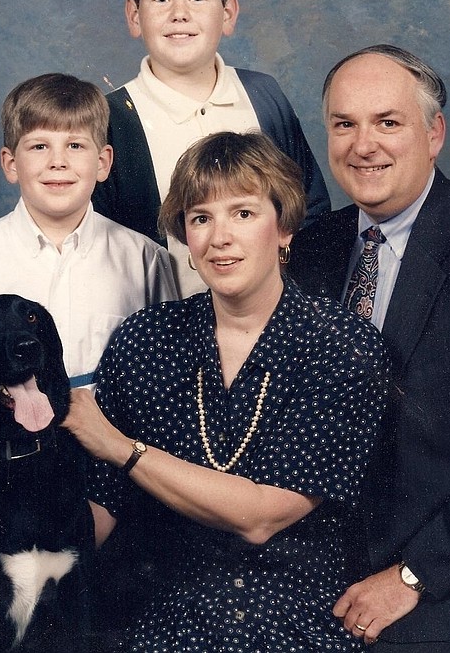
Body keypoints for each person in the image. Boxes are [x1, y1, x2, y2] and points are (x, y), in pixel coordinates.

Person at [65, 131, 388, 651]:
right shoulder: (145, 338)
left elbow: (260, 516)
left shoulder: (342, 345)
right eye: (200, 218)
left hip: (294, 620)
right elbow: (100, 509)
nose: (220, 238)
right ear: (186, 240)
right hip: (163, 615)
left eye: (242, 213)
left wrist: (120, 447)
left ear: (283, 228)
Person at [288, 44, 450, 651]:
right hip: (325, 566)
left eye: (388, 123)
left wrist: (412, 577)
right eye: (344, 124)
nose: (363, 145)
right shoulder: (314, 248)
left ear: (434, 134)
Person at [92, 0, 330, 297]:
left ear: (228, 14)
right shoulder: (109, 119)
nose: (179, 15)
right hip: (160, 333)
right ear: (135, 16)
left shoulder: (263, 96)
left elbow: (310, 212)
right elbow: (102, 245)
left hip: (271, 323)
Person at [0, 73, 177, 388]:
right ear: (11, 164)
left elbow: (170, 357)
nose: (58, 162)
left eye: (75, 145)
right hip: (11, 431)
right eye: (39, 146)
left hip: (111, 430)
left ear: (103, 162)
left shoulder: (143, 258)